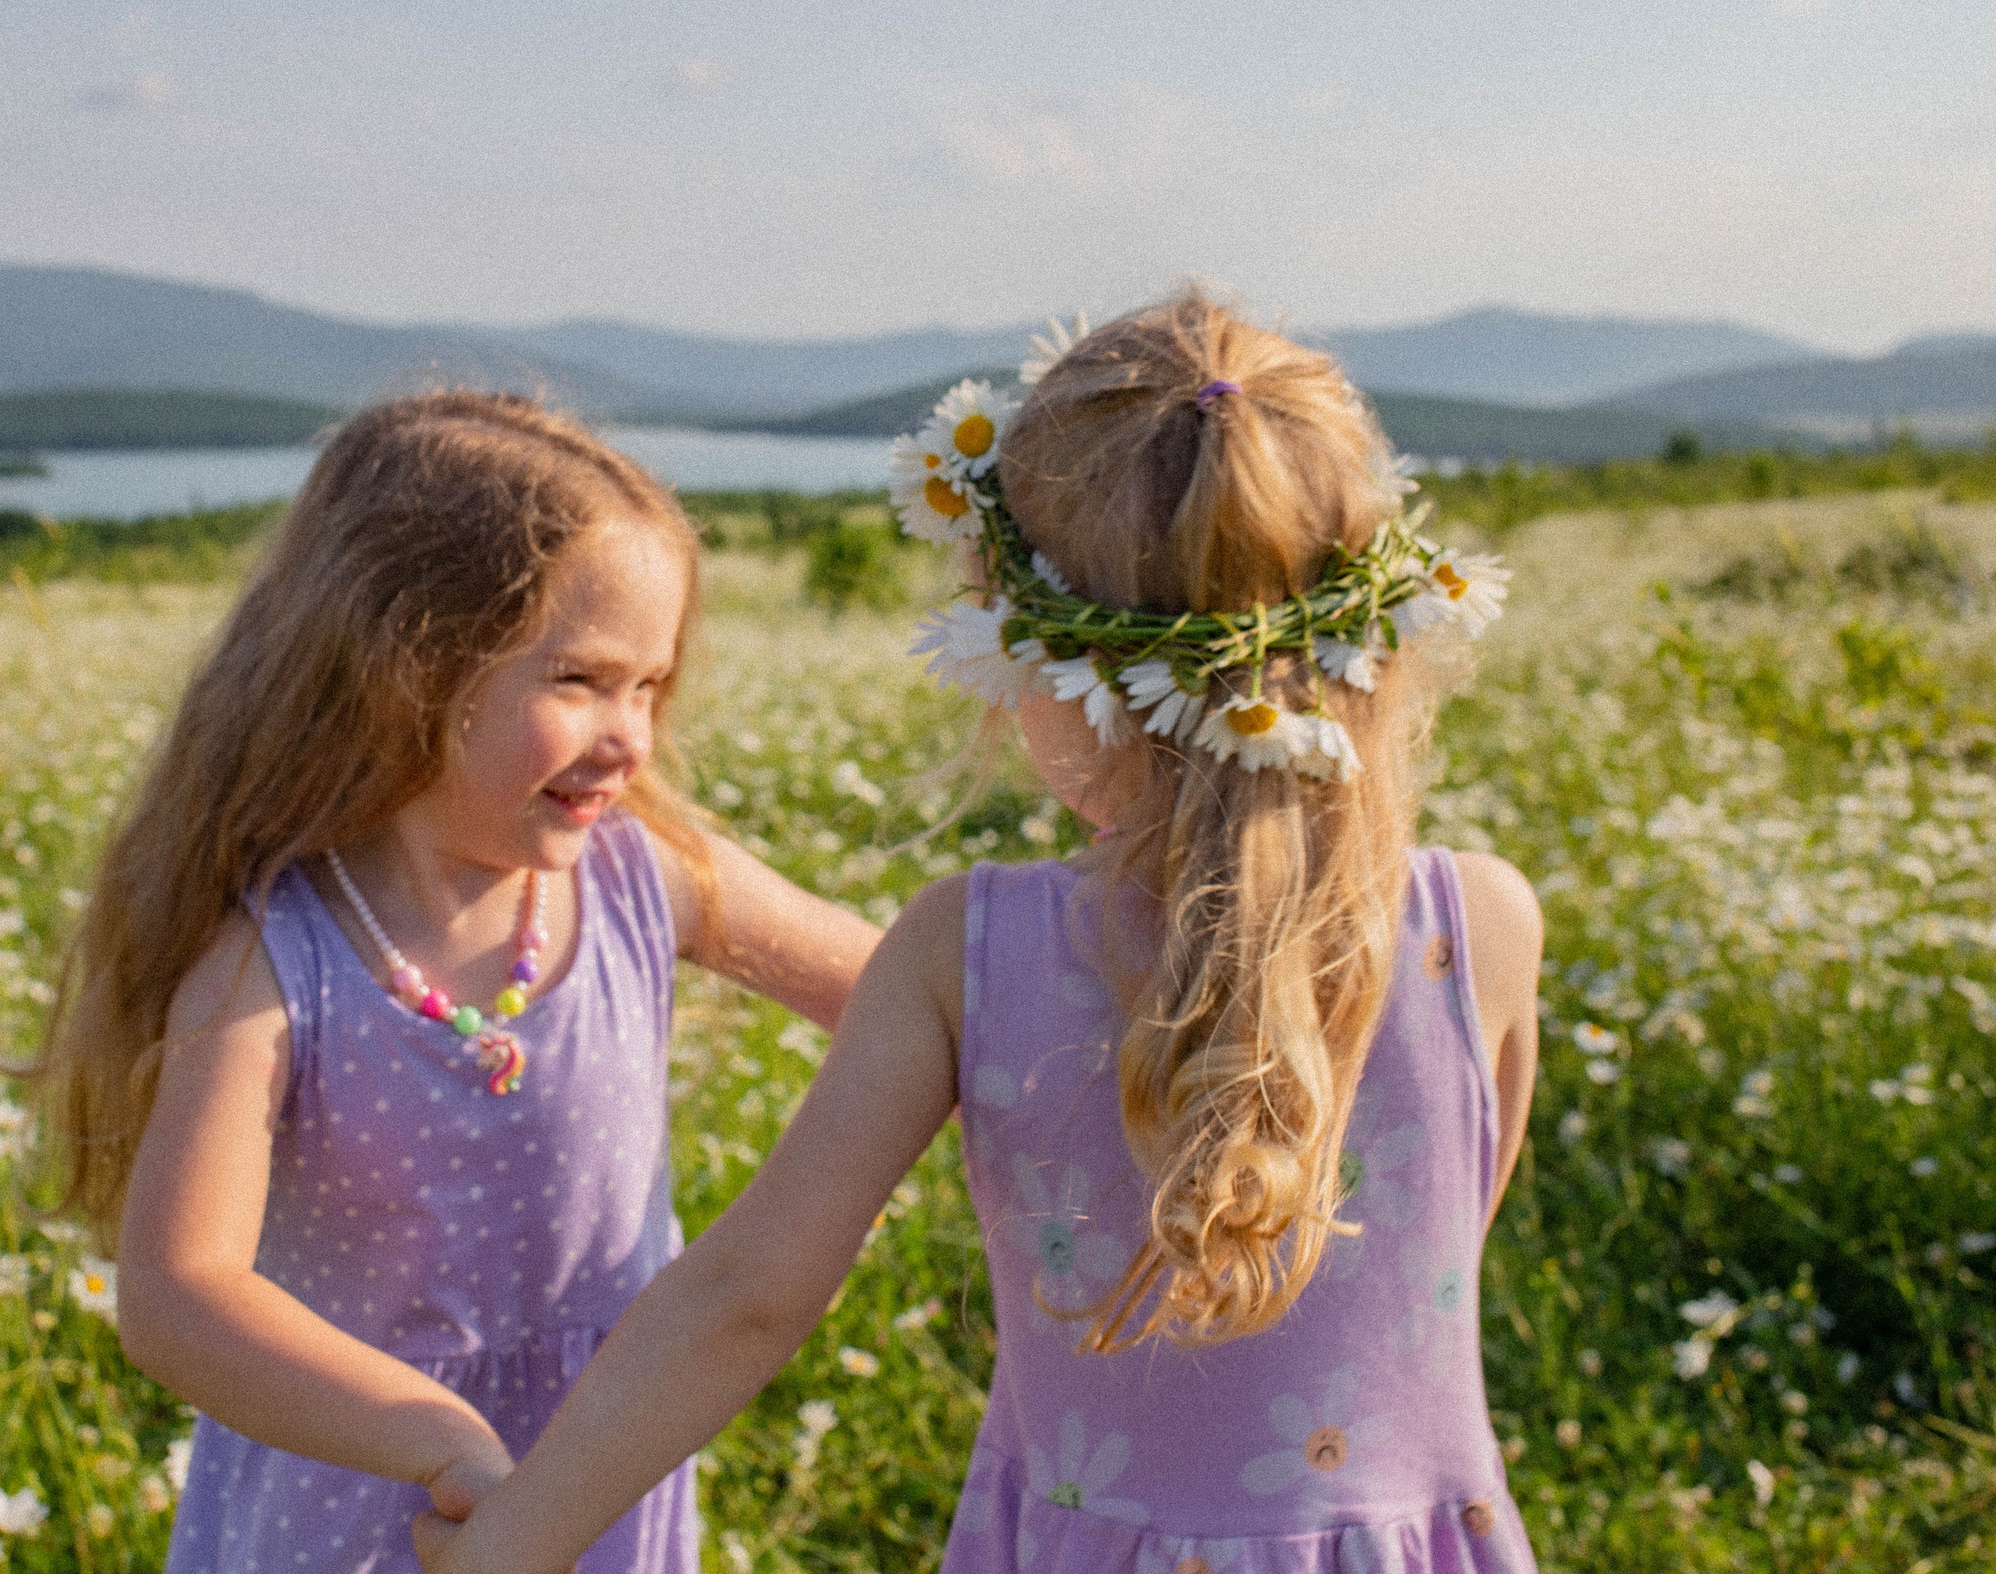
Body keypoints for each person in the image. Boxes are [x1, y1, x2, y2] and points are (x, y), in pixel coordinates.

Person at [417, 294, 1545, 1574]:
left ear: (1032, 650)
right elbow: (1433, 1256)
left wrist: (514, 1538)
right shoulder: (1482, 928)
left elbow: (748, 1300)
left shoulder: (969, 953)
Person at [30, 391, 882, 1573]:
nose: (631, 736)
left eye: (648, 686)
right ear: (406, 670)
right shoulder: (278, 965)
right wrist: (433, 1437)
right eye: (579, 680)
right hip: (357, 1498)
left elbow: (916, 998)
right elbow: (180, 1295)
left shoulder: (647, 879)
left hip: (595, 1481)